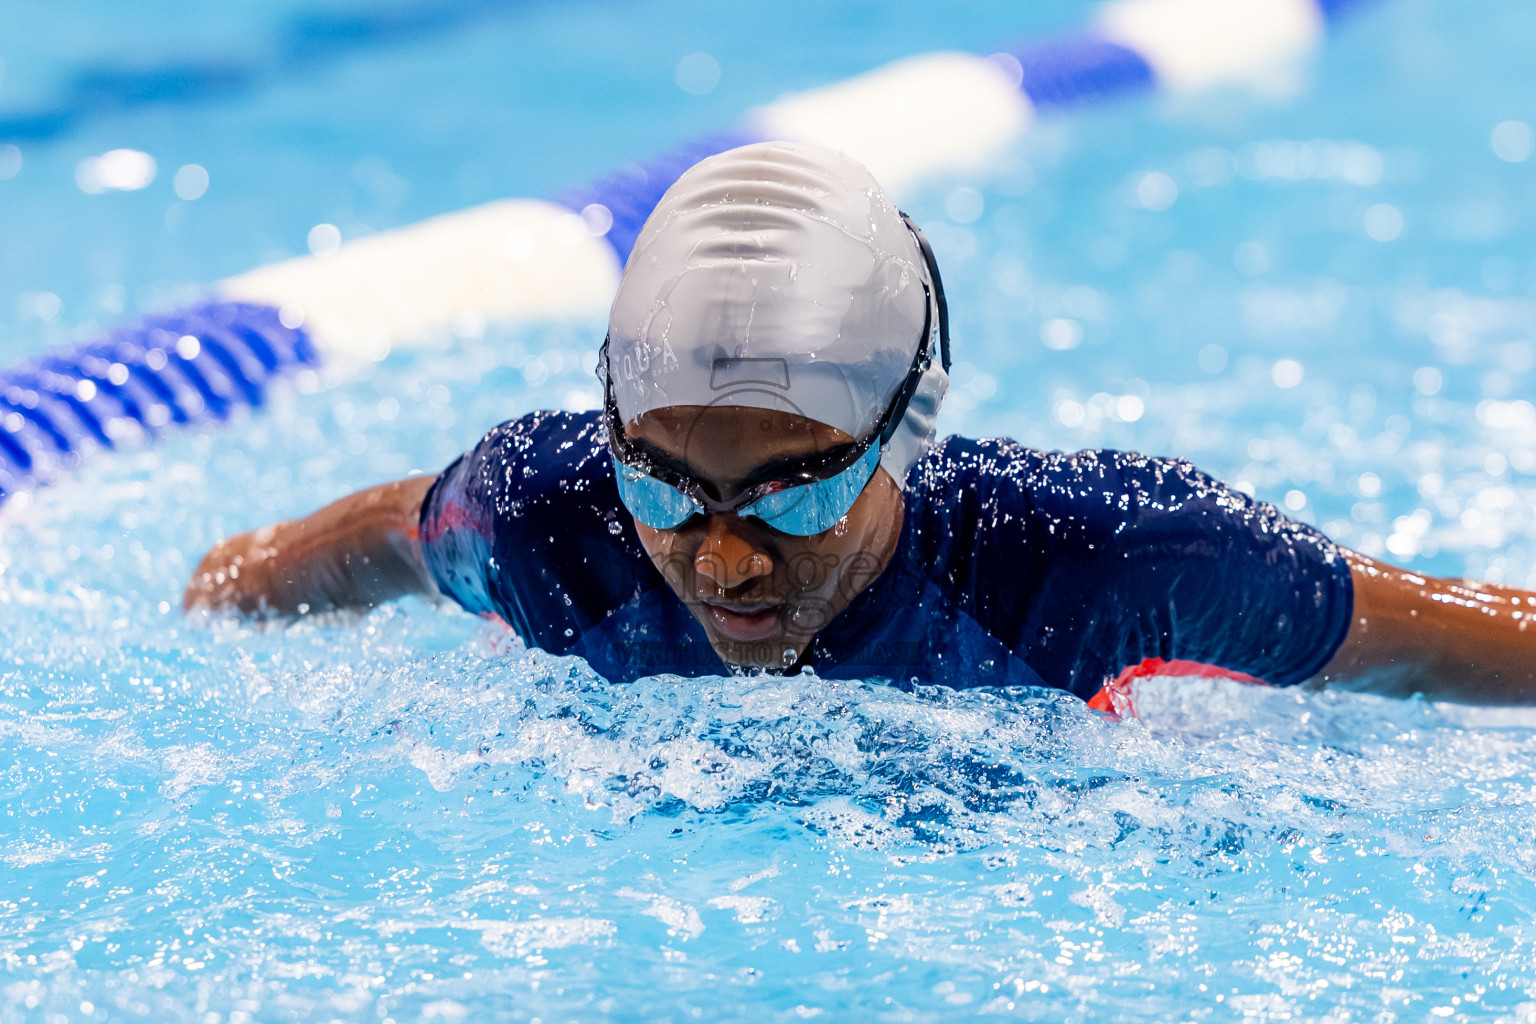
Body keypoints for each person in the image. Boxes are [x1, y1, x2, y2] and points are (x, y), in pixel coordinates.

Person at [184, 141, 1536, 706]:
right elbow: (379, 540)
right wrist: (213, 603)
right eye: (666, 490)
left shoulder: (1097, 562)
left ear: (908, 430)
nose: (723, 563)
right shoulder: (549, 517)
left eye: (792, 496)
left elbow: (1429, 636)